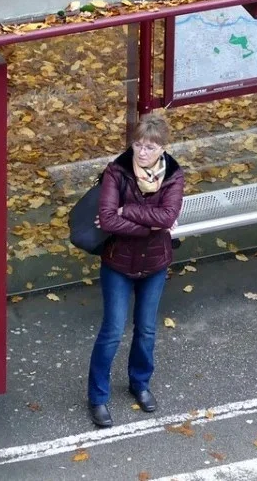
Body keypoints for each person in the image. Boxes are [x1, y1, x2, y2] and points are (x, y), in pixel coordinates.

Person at [87, 112, 185, 428]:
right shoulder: (116, 172)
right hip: (118, 263)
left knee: (146, 330)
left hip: (154, 264)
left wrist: (128, 210)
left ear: (163, 149)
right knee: (113, 331)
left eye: (150, 148)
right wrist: (152, 225)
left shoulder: (173, 175)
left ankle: (139, 384)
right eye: (139, 145)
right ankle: (97, 397)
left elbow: (168, 216)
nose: (142, 153)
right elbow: (107, 219)